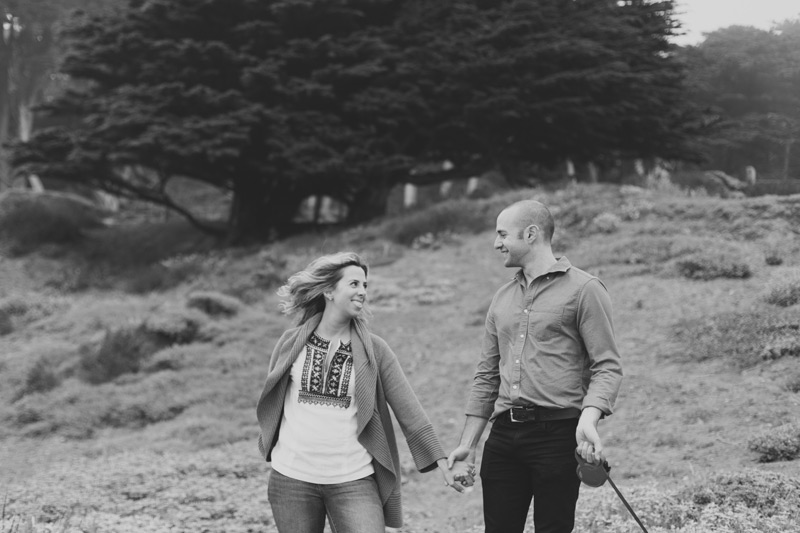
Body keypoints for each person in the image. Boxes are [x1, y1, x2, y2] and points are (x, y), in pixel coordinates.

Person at [256, 252, 471, 533]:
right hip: (292, 479)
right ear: (329, 291)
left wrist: (442, 462)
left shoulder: (376, 350)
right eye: (355, 284)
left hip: (353, 479)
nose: (363, 292)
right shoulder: (290, 343)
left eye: (365, 285)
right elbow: (273, 400)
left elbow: (409, 411)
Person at [447, 200, 623, 533]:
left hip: (557, 437)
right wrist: (468, 445)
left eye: (502, 234)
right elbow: (485, 377)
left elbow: (607, 366)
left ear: (531, 234)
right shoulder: (501, 298)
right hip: (503, 438)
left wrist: (589, 417)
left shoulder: (585, 290)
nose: (496, 243)